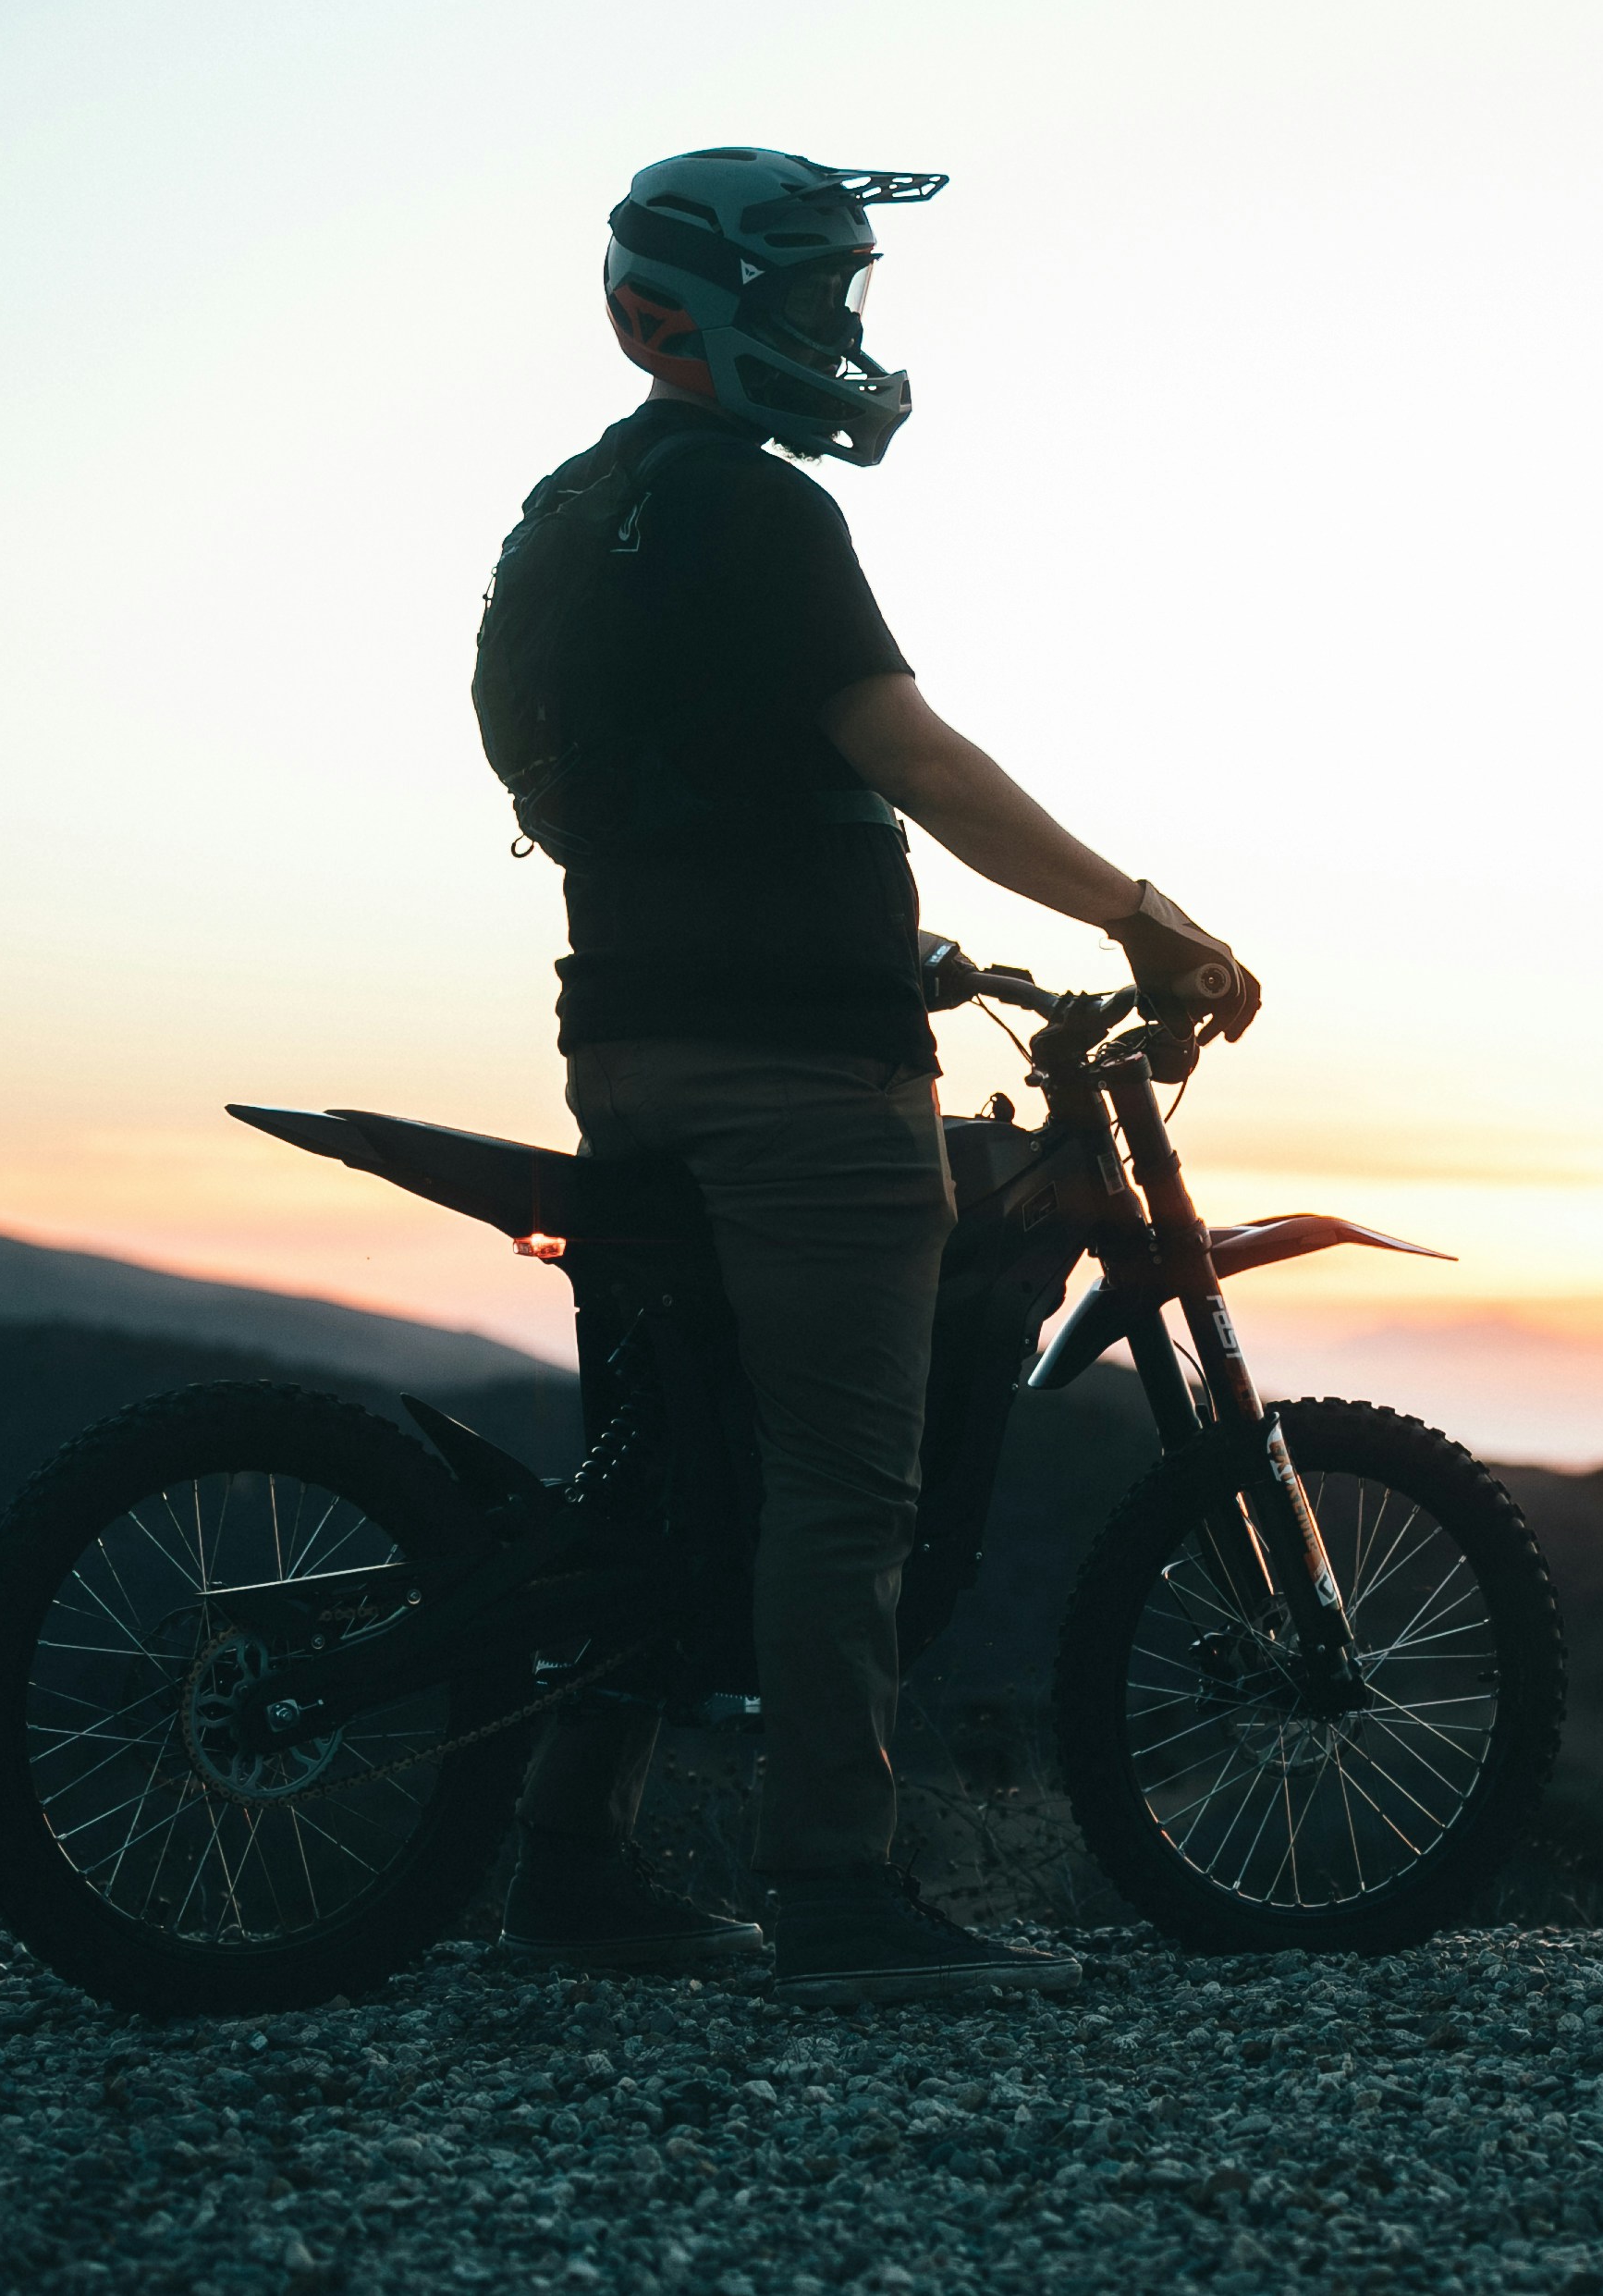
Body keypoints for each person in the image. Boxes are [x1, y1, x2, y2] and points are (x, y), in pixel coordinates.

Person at [471, 147, 1261, 2006]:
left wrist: (824, 915)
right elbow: (915, 753)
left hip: (627, 1046)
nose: (841, 326)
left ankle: (571, 1864)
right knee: (844, 1483)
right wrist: (1143, 912)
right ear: (711, 309)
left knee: (668, 1472)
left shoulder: (579, 510)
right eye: (818, 294)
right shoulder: (761, 510)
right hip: (799, 1083)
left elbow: (592, 774)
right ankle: (836, 1886)